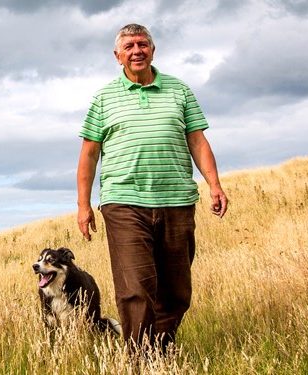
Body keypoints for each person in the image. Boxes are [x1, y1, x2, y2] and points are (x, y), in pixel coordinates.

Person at [76, 23, 228, 351]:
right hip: (123, 201)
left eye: (142, 44)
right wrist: (83, 205)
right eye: (129, 46)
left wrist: (214, 184)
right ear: (118, 56)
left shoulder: (179, 90)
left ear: (153, 50)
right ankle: (139, 360)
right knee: (136, 286)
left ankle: (160, 348)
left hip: (177, 199)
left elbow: (197, 141)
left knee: (176, 289)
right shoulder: (104, 98)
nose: (137, 51)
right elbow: (89, 154)